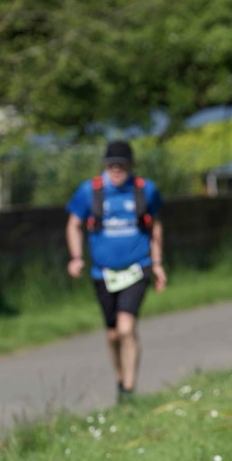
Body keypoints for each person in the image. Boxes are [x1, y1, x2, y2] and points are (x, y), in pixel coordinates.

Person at [65, 140, 166, 403]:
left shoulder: (145, 190)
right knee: (112, 334)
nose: (117, 169)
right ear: (105, 166)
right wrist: (76, 257)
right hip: (103, 274)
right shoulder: (90, 191)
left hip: (137, 268)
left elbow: (155, 226)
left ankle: (129, 390)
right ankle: (121, 381)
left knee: (125, 327)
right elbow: (73, 224)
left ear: (131, 165)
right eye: (112, 165)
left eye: (122, 164)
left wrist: (157, 263)